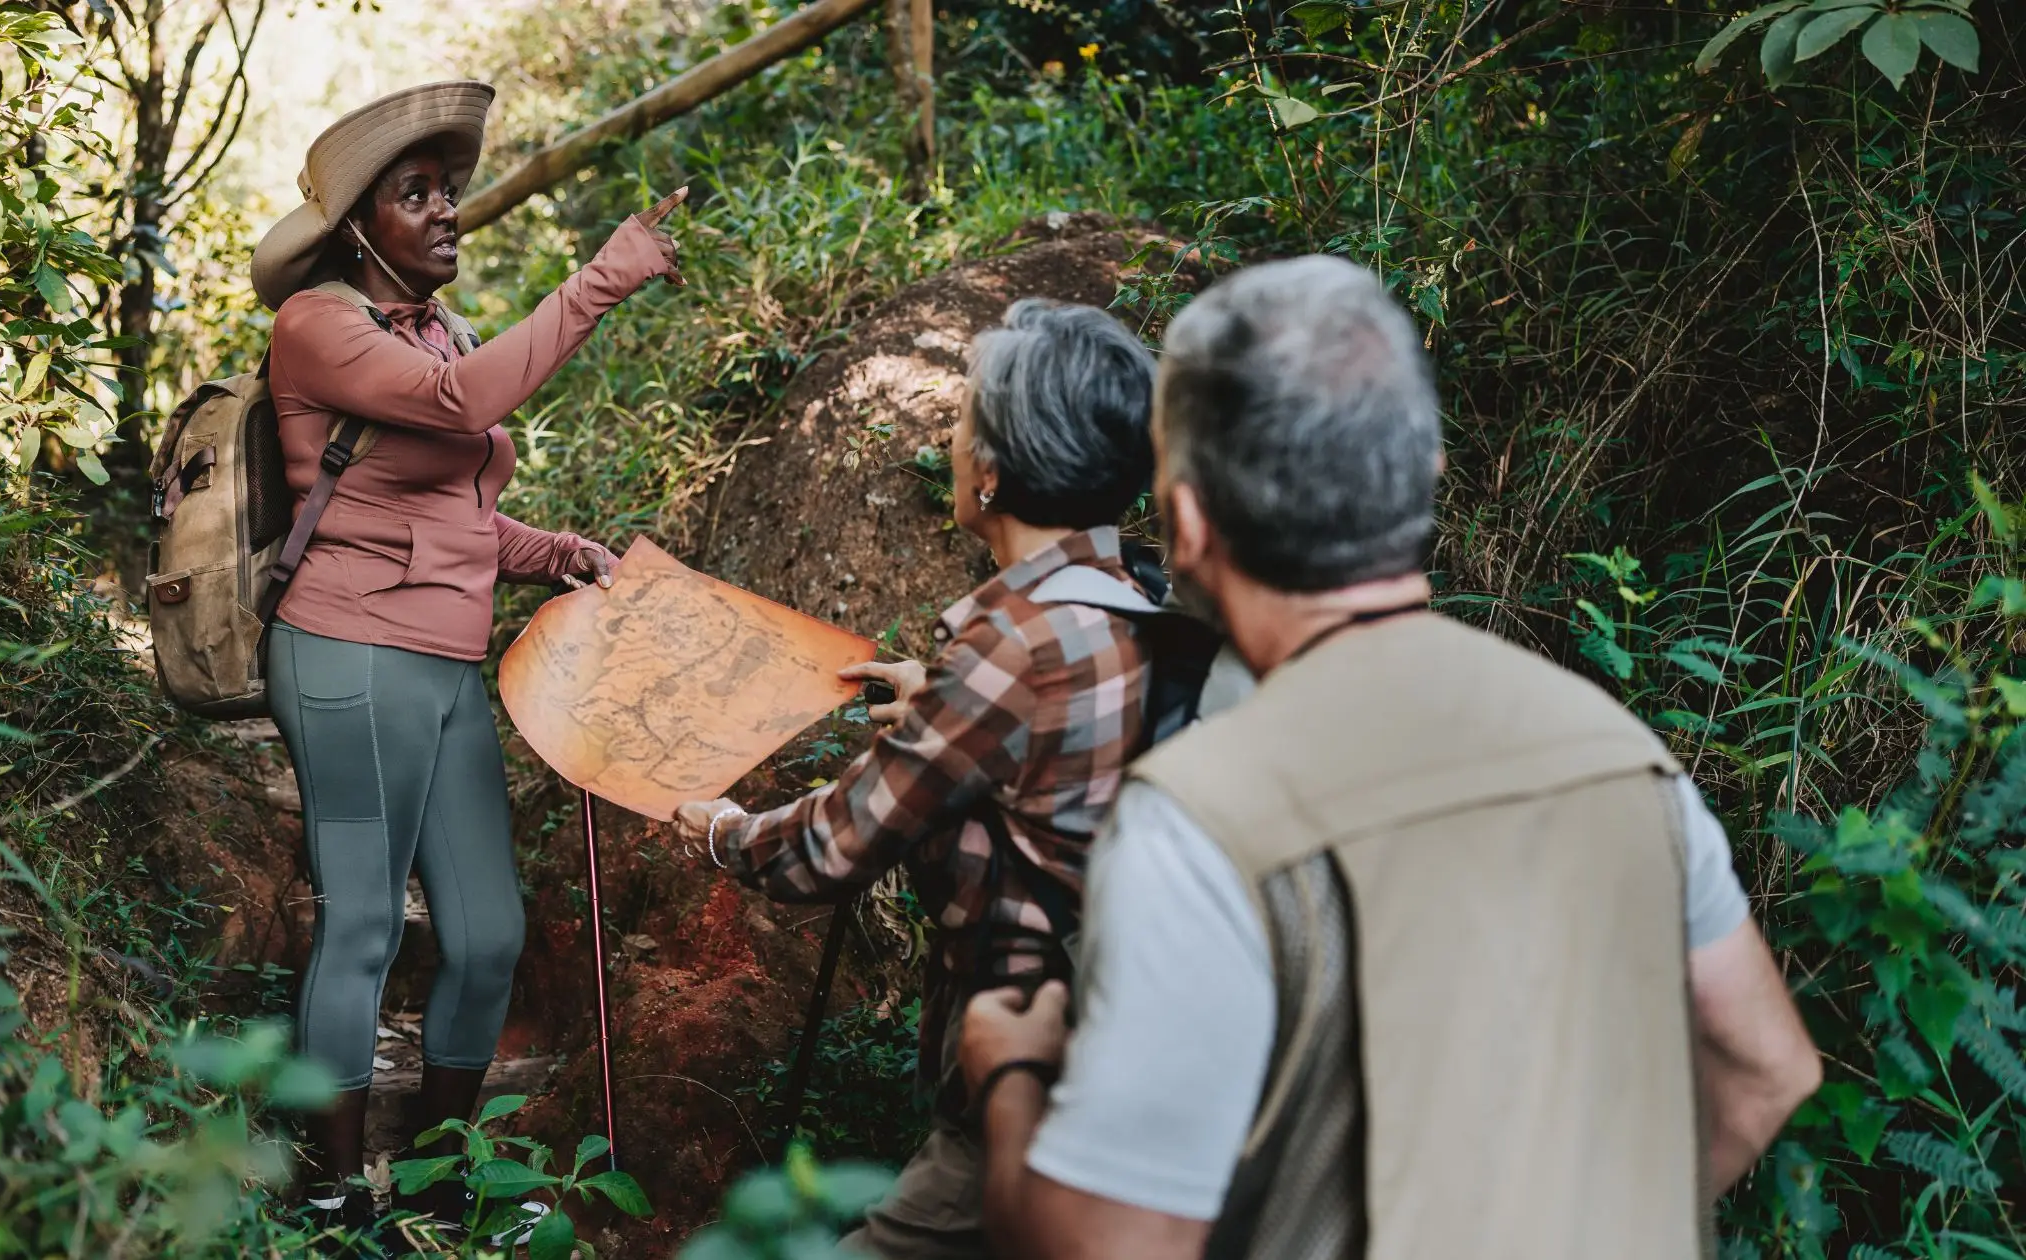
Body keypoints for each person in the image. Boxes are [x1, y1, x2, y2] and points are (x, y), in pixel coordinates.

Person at [959, 257, 1823, 1260]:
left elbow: (1110, 1247)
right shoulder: (1622, 758)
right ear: (1424, 476)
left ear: (1187, 524)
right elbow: (1767, 1071)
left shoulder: (1198, 820)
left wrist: (1010, 1075)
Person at [246, 80, 686, 1238]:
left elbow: (455, 514)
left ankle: (438, 1182)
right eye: (416, 192)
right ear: (357, 225)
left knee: (487, 934)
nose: (447, 209)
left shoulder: (439, 329)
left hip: (445, 664)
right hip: (346, 650)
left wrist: (558, 553)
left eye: (449, 189)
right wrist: (600, 279)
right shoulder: (320, 325)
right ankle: (333, 1190)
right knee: (363, 925)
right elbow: (455, 408)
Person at [671, 299, 1162, 1260]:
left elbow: (830, 848)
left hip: (1024, 1078)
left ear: (994, 468)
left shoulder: (1014, 643)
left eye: (964, 421)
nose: (952, 443)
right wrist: (942, 696)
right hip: (1115, 1045)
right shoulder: (1131, 599)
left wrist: (725, 830)